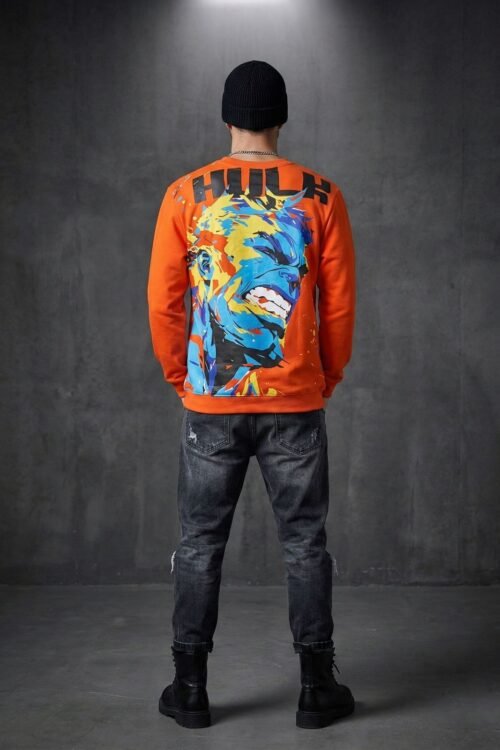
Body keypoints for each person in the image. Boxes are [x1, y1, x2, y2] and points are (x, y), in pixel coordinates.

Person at [147, 60, 356, 730]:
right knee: (305, 544)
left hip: (210, 402)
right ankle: (316, 688)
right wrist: (326, 377)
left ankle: (189, 689)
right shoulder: (322, 195)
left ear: (227, 117)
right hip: (296, 400)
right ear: (281, 118)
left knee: (199, 542)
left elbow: (164, 301)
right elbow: (338, 305)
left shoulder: (185, 194)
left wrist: (182, 377)